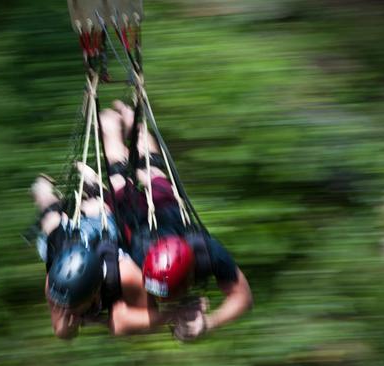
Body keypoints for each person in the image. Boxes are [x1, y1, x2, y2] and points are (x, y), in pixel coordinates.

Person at [99, 100, 254, 341]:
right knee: (152, 170)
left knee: (120, 175)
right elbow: (120, 320)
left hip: (134, 218)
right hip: (161, 212)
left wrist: (208, 323)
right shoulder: (143, 268)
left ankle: (113, 126)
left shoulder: (208, 252)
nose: (162, 300)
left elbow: (242, 296)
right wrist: (174, 314)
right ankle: (133, 124)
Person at [31, 167, 162, 338]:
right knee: (51, 221)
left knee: (98, 212)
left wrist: (110, 322)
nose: (67, 309)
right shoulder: (56, 286)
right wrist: (79, 326)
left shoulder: (125, 274)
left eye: (74, 305)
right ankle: (43, 190)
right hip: (66, 244)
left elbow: (152, 314)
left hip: (102, 235)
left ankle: (93, 188)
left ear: (94, 292)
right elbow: (61, 331)